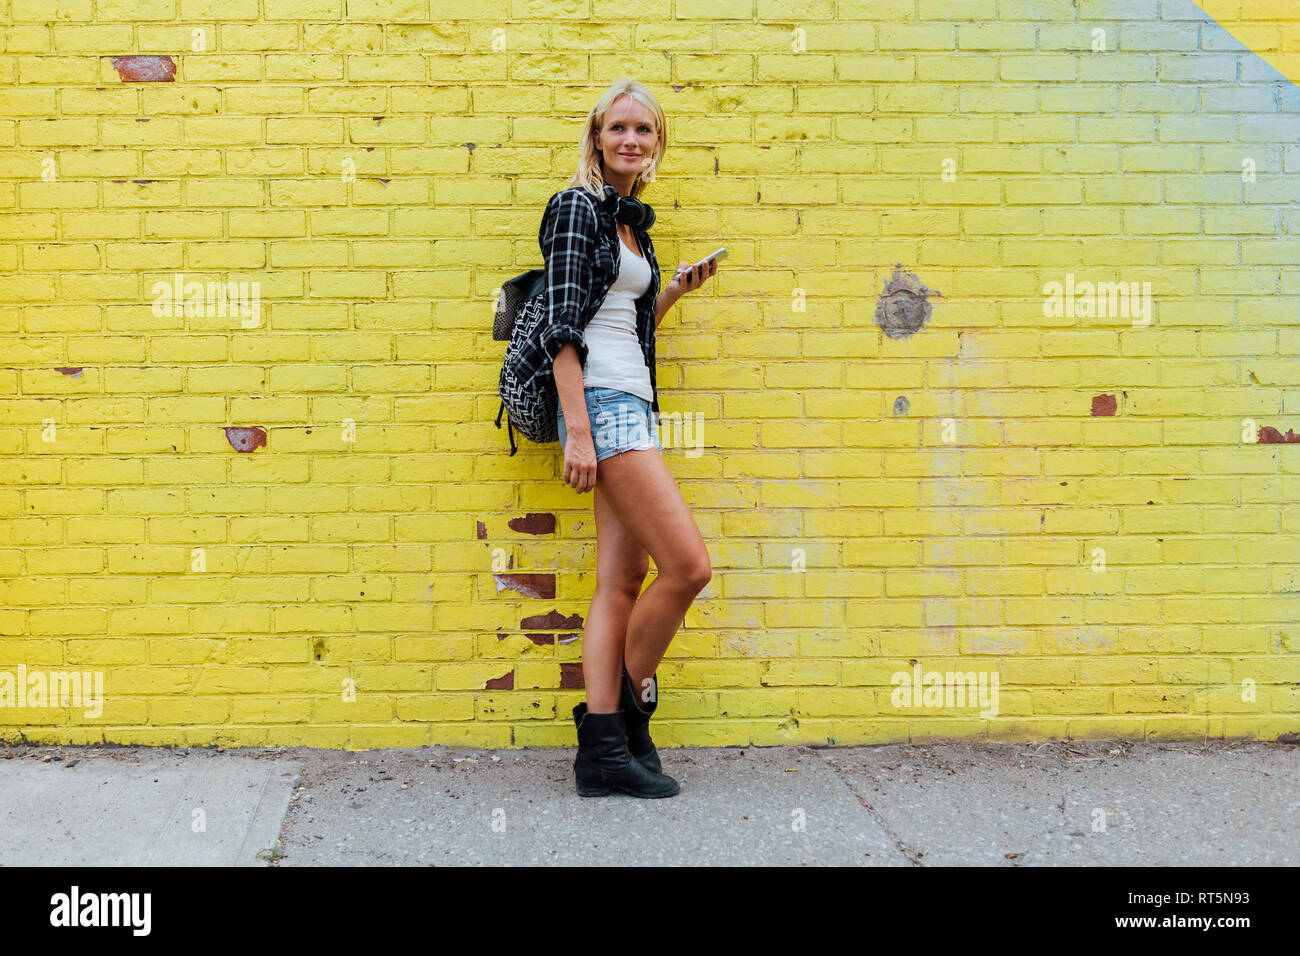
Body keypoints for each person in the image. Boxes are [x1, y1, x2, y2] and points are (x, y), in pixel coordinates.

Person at [538, 79, 718, 798]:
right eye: (619, 128)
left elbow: (623, 326)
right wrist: (577, 431)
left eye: (644, 130)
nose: (632, 140)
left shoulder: (631, 223)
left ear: (656, 144)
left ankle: (601, 755)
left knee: (621, 580)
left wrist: (671, 292)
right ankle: (623, 720)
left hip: (630, 401)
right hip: (602, 407)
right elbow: (561, 327)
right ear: (597, 137)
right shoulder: (576, 208)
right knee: (689, 568)